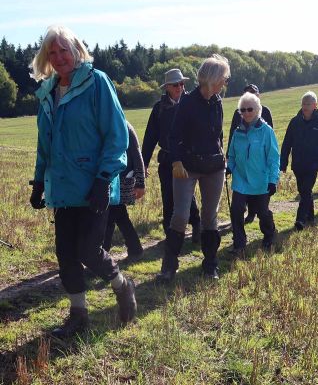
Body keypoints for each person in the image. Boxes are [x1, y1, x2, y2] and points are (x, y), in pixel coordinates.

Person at [29, 25, 136, 338]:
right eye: (53, 52)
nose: (59, 56)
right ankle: (78, 314)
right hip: (62, 188)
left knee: (90, 252)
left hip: (93, 185)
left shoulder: (96, 82)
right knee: (66, 255)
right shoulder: (48, 91)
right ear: (46, 58)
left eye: (64, 50)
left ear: (77, 51)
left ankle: (122, 285)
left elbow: (116, 135)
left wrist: (104, 179)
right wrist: (38, 182)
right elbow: (44, 143)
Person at [159, 54, 230, 281]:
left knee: (210, 217)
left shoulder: (218, 102)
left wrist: (222, 156)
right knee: (180, 215)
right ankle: (169, 264)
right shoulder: (187, 102)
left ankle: (210, 264)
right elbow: (174, 135)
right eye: (223, 79)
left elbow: (218, 134)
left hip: (214, 166)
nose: (224, 83)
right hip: (186, 166)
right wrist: (177, 161)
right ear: (211, 79)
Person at [141, 69, 202, 243]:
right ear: (167, 87)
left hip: (187, 159)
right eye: (175, 84)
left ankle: (196, 224)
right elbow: (150, 137)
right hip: (167, 159)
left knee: (187, 195)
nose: (180, 87)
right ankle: (170, 233)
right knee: (168, 195)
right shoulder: (159, 108)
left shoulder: (191, 103)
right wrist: (143, 163)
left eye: (182, 83)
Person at [227, 92, 279, 254]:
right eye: (243, 110)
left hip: (260, 182)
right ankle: (239, 244)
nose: (246, 113)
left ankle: (269, 236)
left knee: (262, 213)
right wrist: (230, 167)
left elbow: (273, 158)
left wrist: (273, 180)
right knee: (236, 210)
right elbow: (232, 155)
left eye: (250, 109)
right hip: (241, 180)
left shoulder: (266, 131)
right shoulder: (237, 132)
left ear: (257, 110)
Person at [280, 91, 318, 230]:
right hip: (298, 163)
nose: (305, 106)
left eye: (308, 104)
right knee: (304, 190)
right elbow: (287, 143)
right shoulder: (295, 121)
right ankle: (310, 217)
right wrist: (283, 163)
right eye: (304, 103)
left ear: (315, 105)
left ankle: (300, 219)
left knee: (305, 189)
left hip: (313, 163)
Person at [226, 83, 273, 225]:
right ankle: (239, 240)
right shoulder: (237, 112)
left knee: (261, 208)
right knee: (238, 204)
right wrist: (229, 158)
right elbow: (233, 132)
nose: (246, 112)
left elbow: (270, 139)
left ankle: (258, 218)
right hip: (241, 163)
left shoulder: (265, 112)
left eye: (253, 93)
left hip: (259, 164)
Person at [102, 121, 145, 261]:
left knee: (110, 216)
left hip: (122, 179)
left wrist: (140, 182)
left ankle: (103, 257)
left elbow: (136, 153)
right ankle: (135, 249)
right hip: (109, 178)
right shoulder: (104, 124)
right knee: (119, 215)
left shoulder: (124, 125)